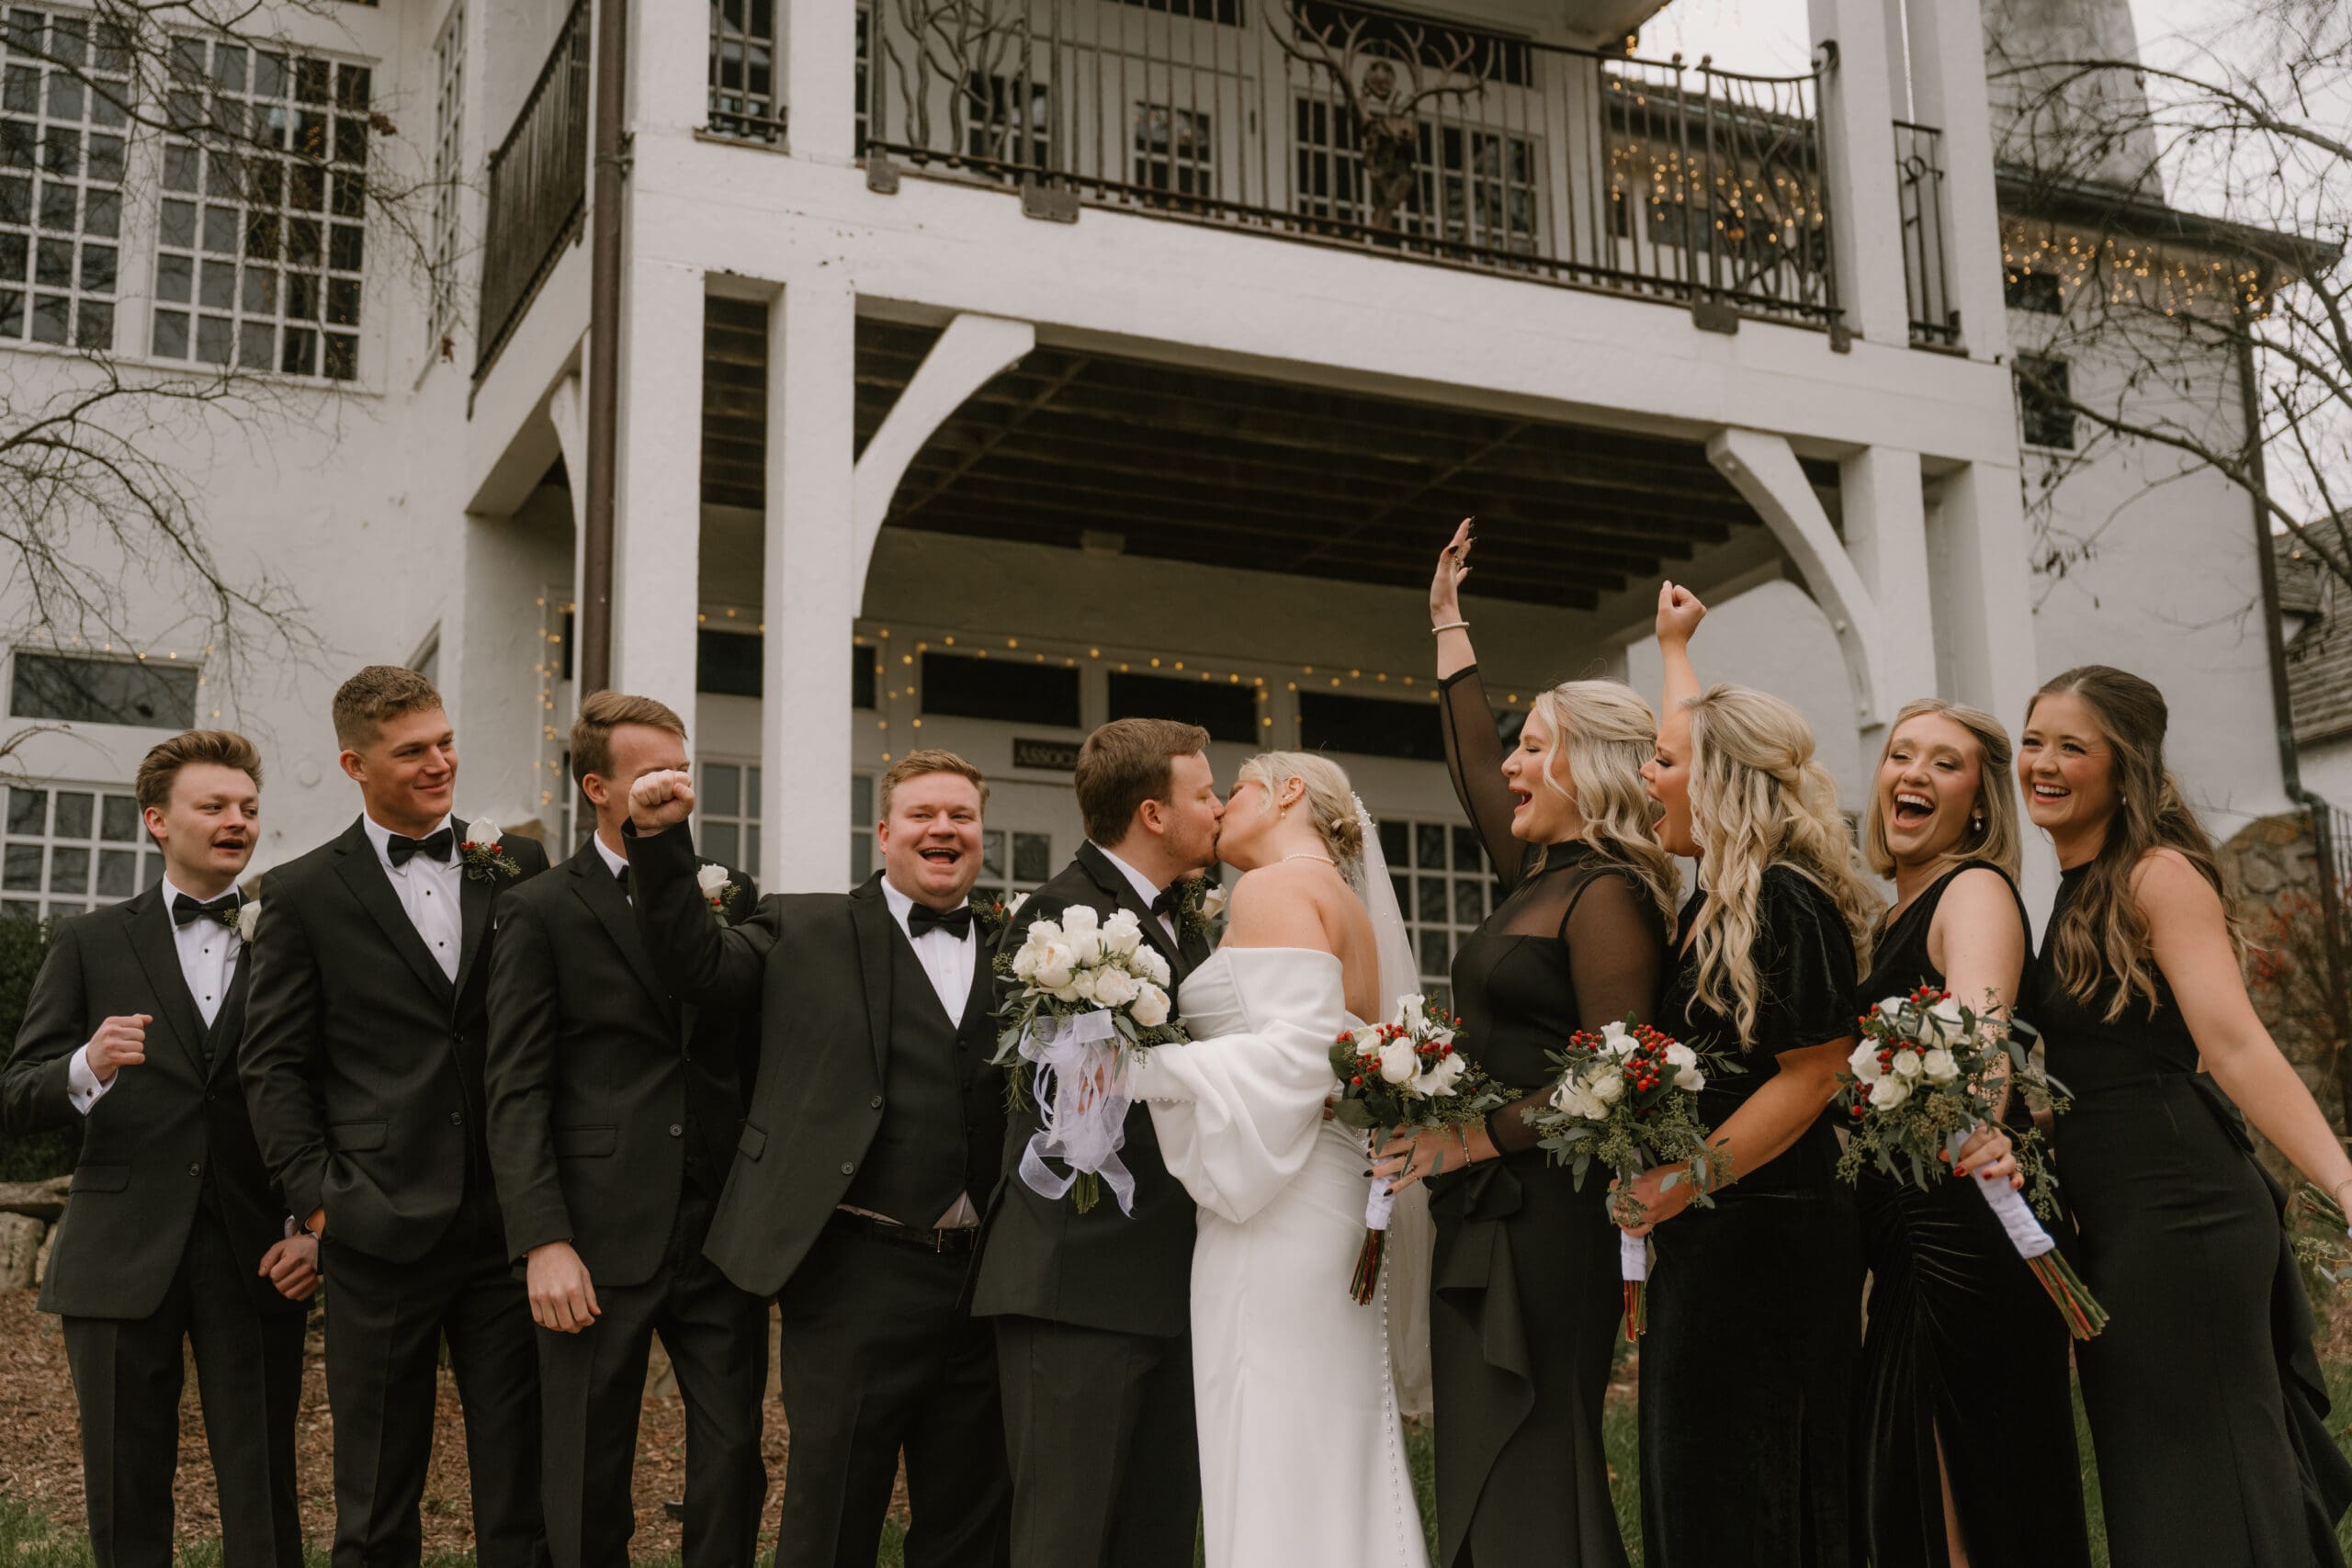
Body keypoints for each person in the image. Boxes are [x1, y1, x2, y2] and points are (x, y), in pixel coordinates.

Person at [1372, 519, 1674, 1568]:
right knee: (1482, 1446)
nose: (1512, 764)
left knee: (1536, 1438)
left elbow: (1623, 1076)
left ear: (1590, 765)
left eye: (1536, 744)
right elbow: (1468, 765)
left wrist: (1475, 1139)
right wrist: (1448, 626)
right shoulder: (1536, 880)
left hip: (1553, 1217)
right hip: (1485, 1211)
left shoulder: (1608, 897)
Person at [626, 748, 1010, 1568]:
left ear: (981, 834)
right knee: (834, 1517)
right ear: (883, 833)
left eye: (961, 816)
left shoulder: (1024, 955)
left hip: (984, 1285)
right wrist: (661, 841)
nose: (943, 828)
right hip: (854, 1275)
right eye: (922, 814)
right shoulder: (806, 926)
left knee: (973, 1521)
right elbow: (696, 965)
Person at [2019, 666, 2352, 1564]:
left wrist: (2343, 1182)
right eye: (2033, 740)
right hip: (2127, 1220)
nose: (2042, 764)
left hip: (2185, 1217)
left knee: (2217, 1476)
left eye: (2070, 747)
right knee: (2159, 1476)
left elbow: (2233, 1046)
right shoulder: (2075, 887)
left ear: (2122, 766)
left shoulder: (2157, 876)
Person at [239, 665, 551, 1568]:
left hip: (505, 1228)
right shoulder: (299, 893)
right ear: (354, 763)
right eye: (412, 751)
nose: (439, 762)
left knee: (518, 1492)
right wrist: (324, 1203)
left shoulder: (519, 865)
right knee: (373, 1501)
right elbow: (274, 1065)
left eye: (445, 742)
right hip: (376, 1227)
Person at [1, 730, 314, 1568]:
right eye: (213, 806)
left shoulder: (292, 936)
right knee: (124, 1486)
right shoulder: (90, 941)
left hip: (258, 1248)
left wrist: (312, 1220)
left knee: (264, 1487)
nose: (236, 820)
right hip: (118, 1250)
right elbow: (15, 1094)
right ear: (156, 821)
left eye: (248, 807)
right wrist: (84, 1064)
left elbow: (325, 1093)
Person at [1623, 584, 1878, 1567]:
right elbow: (1691, 735)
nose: (1651, 780)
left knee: (1751, 1484)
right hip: (1714, 1242)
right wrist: (1673, 647)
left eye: (1666, 765)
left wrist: (1680, 1184)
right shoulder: (1715, 902)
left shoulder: (1785, 902)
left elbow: (1812, 1078)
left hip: (1767, 1245)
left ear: (1720, 783)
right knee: (1698, 1478)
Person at [483, 693, 767, 1568]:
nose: (673, 783)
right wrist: (543, 1239)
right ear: (598, 787)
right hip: (596, 1229)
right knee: (584, 1461)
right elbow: (516, 1085)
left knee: (733, 1458)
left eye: (682, 767)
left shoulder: (728, 892)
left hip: (718, 1224)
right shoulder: (538, 909)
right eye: (651, 771)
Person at [1125, 750, 1427, 1568]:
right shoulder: (1344, 904)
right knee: (1331, 1435)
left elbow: (1296, 1060)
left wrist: (1137, 1069)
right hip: (1327, 1190)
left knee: (1268, 1429)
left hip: (1275, 1197)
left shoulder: (1275, 888)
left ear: (1289, 791)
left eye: (1239, 787)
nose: (1220, 806)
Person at [970, 717, 1225, 1568]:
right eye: (1206, 793)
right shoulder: (1059, 922)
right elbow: (1066, 1111)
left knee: (1155, 1536)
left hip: (1164, 1276)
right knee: (1064, 1542)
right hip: (1073, 1282)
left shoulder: (1183, 921)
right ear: (1154, 813)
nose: (1219, 807)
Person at [1852, 700, 2086, 1568]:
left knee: (1973, 1493)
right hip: (1908, 1236)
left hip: (1965, 1225)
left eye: (1943, 763)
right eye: (1900, 755)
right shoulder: (1886, 918)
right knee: (1915, 1482)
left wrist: (1977, 1120)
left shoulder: (1974, 889)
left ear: (1981, 804)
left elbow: (1982, 1039)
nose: (1912, 773)